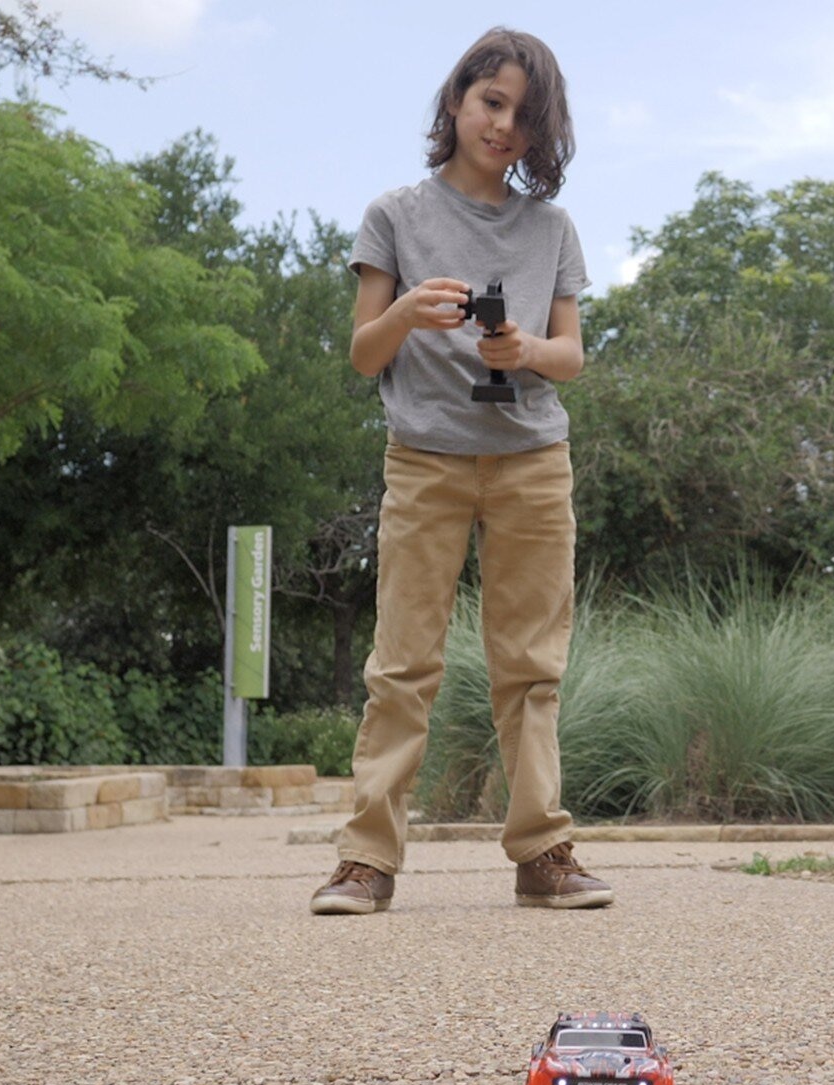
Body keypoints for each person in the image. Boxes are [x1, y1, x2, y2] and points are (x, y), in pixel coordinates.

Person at [310, 27, 612, 915]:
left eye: (525, 116)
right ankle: (366, 861)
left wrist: (525, 347)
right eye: (492, 102)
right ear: (457, 99)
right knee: (402, 663)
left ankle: (543, 852)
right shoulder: (395, 216)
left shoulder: (551, 227)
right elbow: (365, 354)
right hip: (427, 461)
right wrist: (407, 308)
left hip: (532, 463)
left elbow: (573, 358)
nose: (504, 126)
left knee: (531, 666)